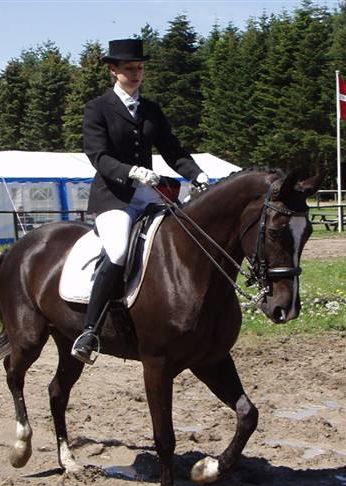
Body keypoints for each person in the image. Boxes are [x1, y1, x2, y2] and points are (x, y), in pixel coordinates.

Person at [71, 38, 210, 364]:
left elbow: (173, 151)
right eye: (130, 69)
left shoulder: (151, 110)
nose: (136, 74)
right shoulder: (97, 108)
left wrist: (198, 175)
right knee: (118, 250)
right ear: (113, 69)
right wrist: (132, 171)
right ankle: (89, 330)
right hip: (113, 197)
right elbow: (99, 156)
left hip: (149, 194)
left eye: (140, 68)